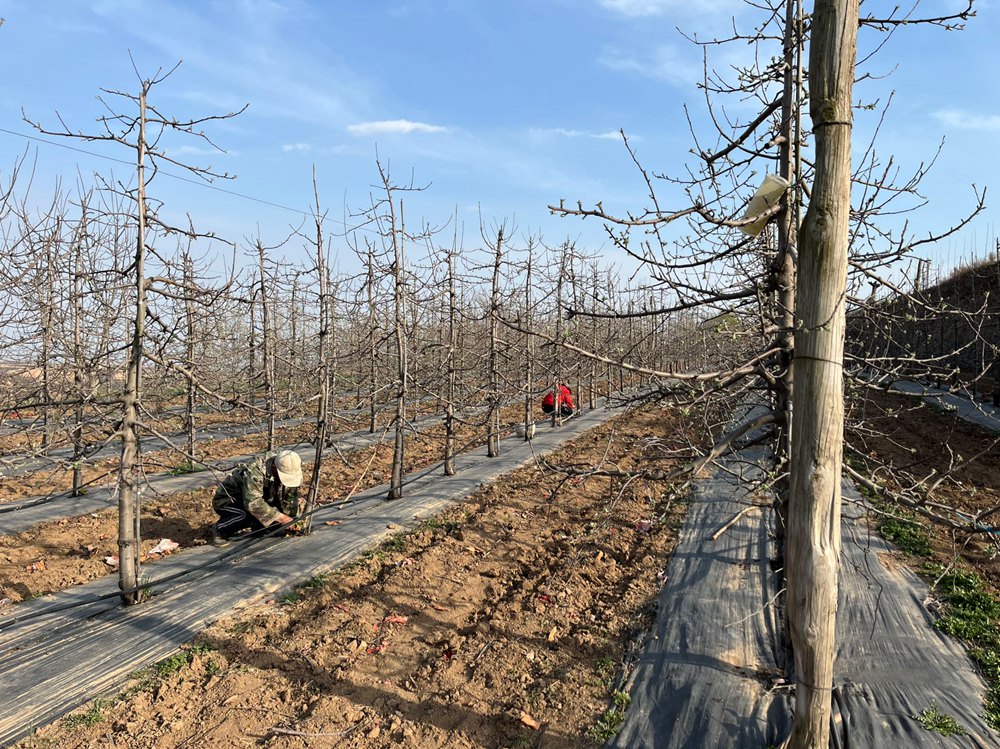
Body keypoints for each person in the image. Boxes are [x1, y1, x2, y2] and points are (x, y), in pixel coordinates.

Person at [211, 449, 303, 544]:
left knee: (273, 520)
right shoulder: (256, 469)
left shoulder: (290, 466)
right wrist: (282, 518)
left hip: (258, 498)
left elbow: (290, 498)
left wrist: (294, 521)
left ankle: (257, 526)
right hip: (228, 501)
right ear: (274, 468)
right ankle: (220, 528)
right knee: (247, 514)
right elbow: (252, 503)